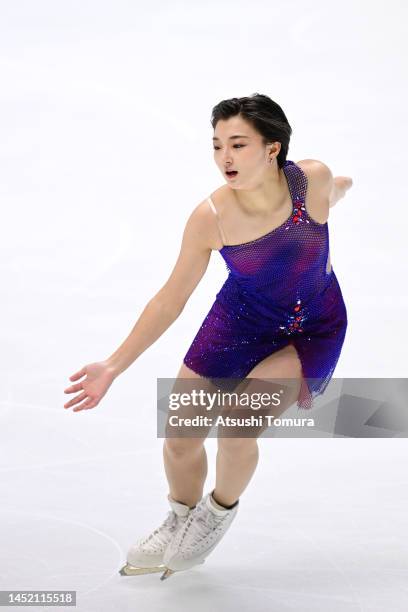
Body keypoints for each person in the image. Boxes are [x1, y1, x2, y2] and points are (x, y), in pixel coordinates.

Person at [63, 93, 353, 580]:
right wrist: (113, 365)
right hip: (238, 322)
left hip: (312, 327)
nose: (225, 158)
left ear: (272, 148)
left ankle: (215, 514)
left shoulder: (313, 180)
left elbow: (337, 186)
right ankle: (179, 517)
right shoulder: (211, 218)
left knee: (239, 424)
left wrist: (345, 188)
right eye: (217, 145)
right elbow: (169, 300)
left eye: (238, 144)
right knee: (180, 435)